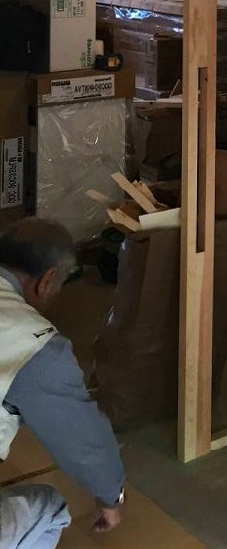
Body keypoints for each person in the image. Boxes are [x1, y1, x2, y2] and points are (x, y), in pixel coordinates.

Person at [0, 218, 125, 548]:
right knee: (51, 508)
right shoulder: (33, 344)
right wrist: (111, 495)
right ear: (47, 281)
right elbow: (82, 438)